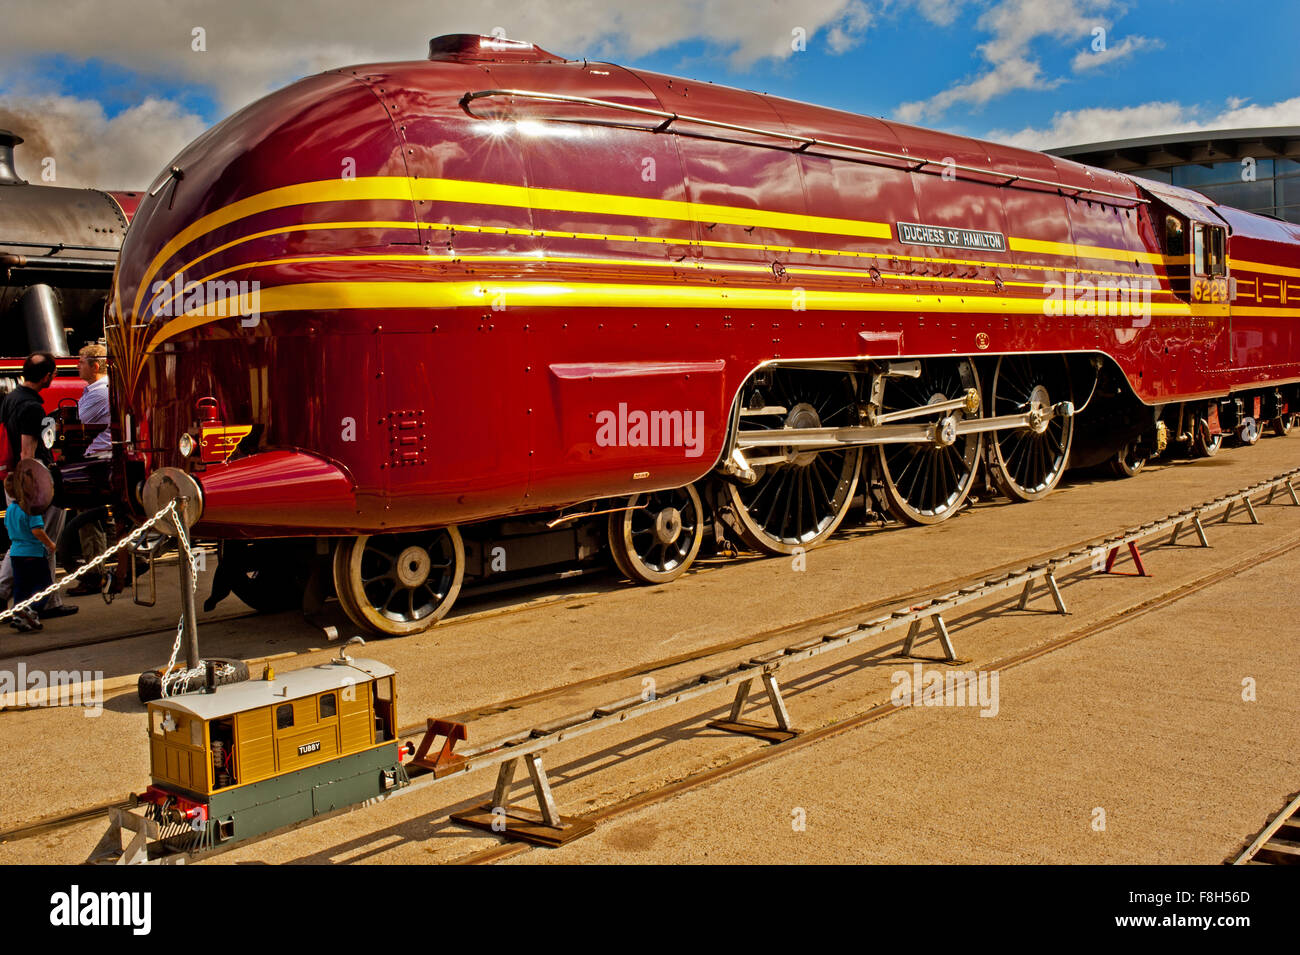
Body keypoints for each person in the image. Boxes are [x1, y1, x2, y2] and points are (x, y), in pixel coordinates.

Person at [0, 352, 76, 617]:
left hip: (15, 481)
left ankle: (10, 595)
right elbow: (27, 452)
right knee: (46, 542)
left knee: (20, 542)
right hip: (35, 484)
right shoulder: (32, 407)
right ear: (47, 376)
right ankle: (45, 601)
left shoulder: (11, 399)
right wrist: (31, 494)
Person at [66, 344, 111, 596]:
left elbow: (78, 422)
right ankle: (126, 565)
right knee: (104, 519)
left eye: (81, 361)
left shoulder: (98, 394)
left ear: (95, 365)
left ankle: (95, 575)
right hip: (102, 458)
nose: (76, 365)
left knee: (89, 520)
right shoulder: (99, 389)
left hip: (96, 461)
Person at [3, 471, 54, 632]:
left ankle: (19, 615)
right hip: (33, 553)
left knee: (21, 586)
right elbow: (37, 530)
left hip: (16, 553)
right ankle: (31, 609)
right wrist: (50, 544)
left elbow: (7, 526)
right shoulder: (31, 508)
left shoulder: (10, 509)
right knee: (45, 586)